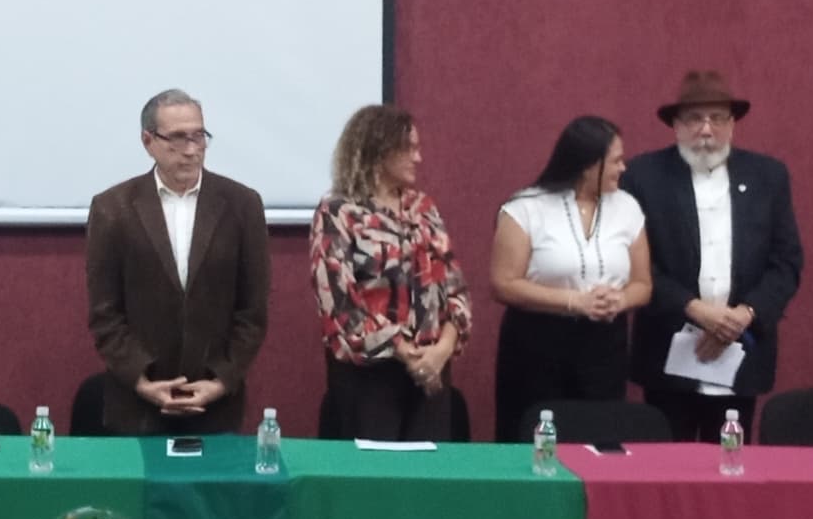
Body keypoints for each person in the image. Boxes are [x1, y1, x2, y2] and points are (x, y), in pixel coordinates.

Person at [620, 70, 805, 441]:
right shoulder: (644, 176)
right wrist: (694, 309)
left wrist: (744, 315)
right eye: (694, 119)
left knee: (729, 458)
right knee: (666, 461)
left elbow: (786, 261)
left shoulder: (768, 176)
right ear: (675, 125)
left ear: (733, 124)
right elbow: (632, 260)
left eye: (718, 118)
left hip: (741, 349)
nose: (707, 130)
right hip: (669, 346)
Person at [84, 90, 272, 434]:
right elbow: (105, 313)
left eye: (199, 136)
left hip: (216, 403)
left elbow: (252, 310)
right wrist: (142, 381)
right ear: (148, 141)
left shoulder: (242, 205)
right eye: (178, 138)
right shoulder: (113, 209)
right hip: (138, 406)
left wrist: (221, 380)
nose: (191, 149)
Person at [310, 104, 475, 441]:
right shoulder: (338, 212)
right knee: (374, 469)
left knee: (428, 469)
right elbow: (339, 304)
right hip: (370, 379)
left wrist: (442, 349)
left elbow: (455, 288)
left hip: (432, 372)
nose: (418, 158)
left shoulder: (423, 209)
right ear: (379, 151)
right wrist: (404, 351)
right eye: (408, 149)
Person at [489, 116, 651, 443]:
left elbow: (643, 285)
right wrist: (575, 301)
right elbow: (503, 283)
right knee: (533, 437)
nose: (623, 168)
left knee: (598, 438)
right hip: (537, 345)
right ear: (589, 164)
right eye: (616, 161)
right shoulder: (526, 207)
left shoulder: (628, 208)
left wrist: (619, 300)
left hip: (604, 347)